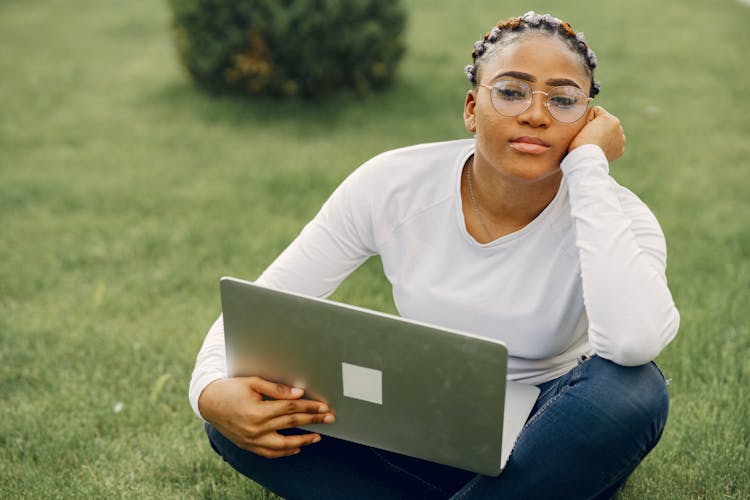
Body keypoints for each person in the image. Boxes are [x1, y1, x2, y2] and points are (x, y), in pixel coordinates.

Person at [189, 11, 679, 499]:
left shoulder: (617, 216)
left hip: (548, 433)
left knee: (633, 391)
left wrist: (589, 170)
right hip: (423, 420)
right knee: (239, 413)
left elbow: (633, 343)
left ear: (590, 122)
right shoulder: (392, 185)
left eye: (564, 100)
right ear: (471, 108)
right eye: (511, 91)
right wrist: (209, 392)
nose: (536, 113)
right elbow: (262, 305)